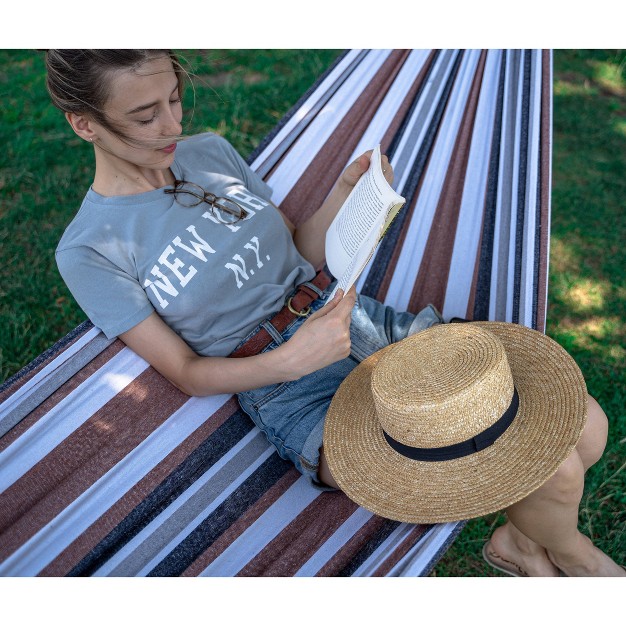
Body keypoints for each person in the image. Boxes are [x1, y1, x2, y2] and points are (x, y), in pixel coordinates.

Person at [46, 49, 624, 577]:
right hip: (287, 387)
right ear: (84, 123)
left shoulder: (209, 153)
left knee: (585, 423)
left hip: (357, 319)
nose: (173, 125)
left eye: (174, 98)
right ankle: (579, 566)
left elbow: (296, 248)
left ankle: (521, 547)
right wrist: (290, 361)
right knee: (555, 466)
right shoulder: (90, 249)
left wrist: (346, 194)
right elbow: (187, 373)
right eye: (146, 116)